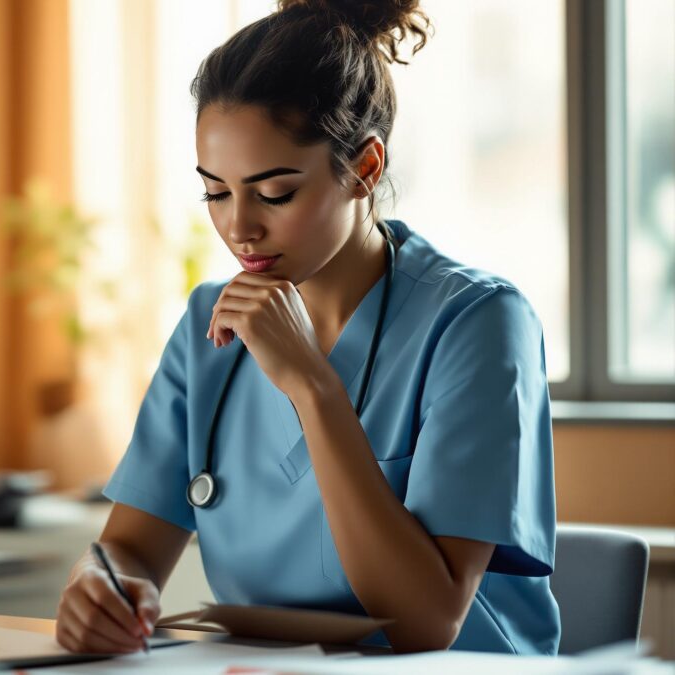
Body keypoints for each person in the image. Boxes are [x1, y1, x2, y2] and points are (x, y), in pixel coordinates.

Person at [55, 0, 560, 656]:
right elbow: (126, 548)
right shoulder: (209, 329)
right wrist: (101, 584)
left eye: (274, 193)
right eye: (216, 192)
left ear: (365, 168)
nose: (239, 227)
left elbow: (428, 623)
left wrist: (314, 387)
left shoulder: (477, 322)